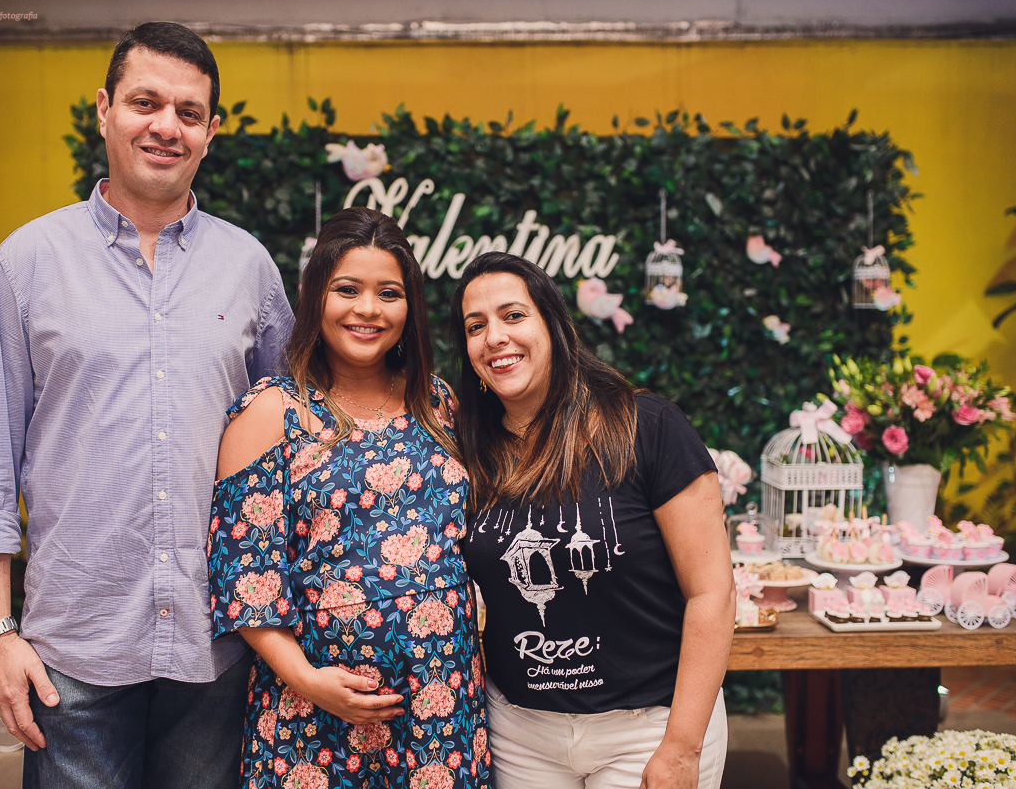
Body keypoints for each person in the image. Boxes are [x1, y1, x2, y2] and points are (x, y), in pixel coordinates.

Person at [0, 22, 293, 789]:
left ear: (211, 130)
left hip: (219, 646)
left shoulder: (249, 268)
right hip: (71, 654)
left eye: (189, 111)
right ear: (104, 109)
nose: (166, 126)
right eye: (146, 102)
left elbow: (290, 450)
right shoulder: (25, 263)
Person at [208, 206, 491, 789]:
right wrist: (308, 680)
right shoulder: (272, 412)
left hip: (443, 712)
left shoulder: (439, 406)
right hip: (313, 720)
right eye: (347, 290)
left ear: (409, 306)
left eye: (388, 292)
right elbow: (243, 578)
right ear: (314, 296)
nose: (368, 309)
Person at [450, 252, 734, 789]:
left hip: (647, 729)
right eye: (475, 326)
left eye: (513, 316)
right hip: (519, 731)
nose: (494, 338)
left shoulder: (646, 427)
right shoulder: (467, 448)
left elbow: (712, 592)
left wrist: (680, 747)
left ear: (554, 325)